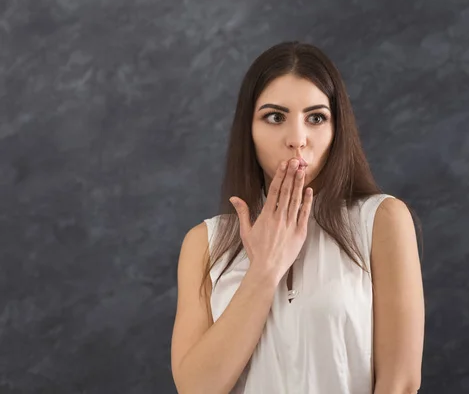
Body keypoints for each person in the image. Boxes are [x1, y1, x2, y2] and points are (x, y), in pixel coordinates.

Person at [171, 41, 425, 394]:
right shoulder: (205, 243)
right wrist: (265, 269)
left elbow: (400, 384)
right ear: (249, 129)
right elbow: (196, 388)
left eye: (316, 117)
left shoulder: (382, 221)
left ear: (338, 129)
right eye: (275, 117)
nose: (297, 139)